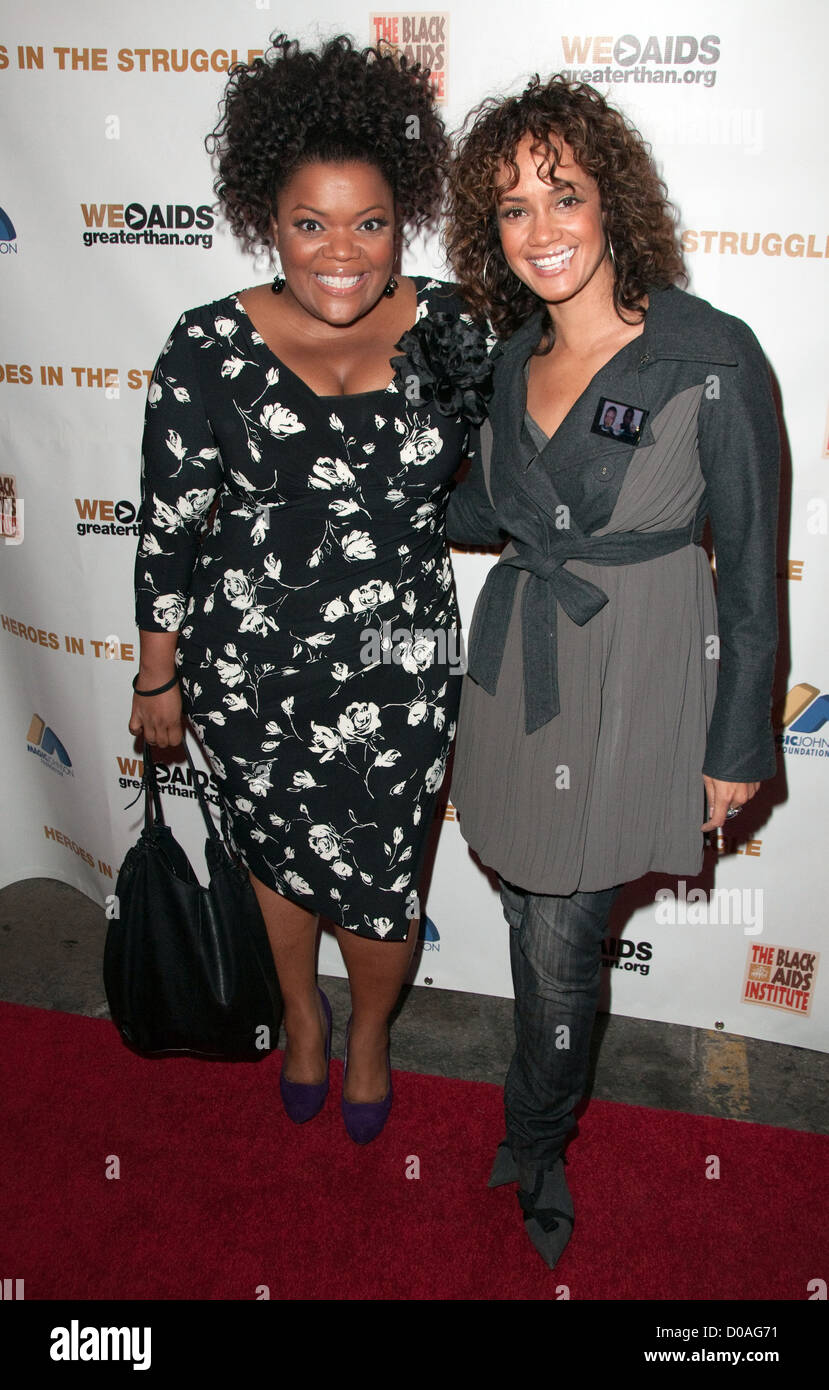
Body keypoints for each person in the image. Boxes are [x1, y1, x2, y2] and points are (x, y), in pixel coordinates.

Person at [444, 75, 779, 1266]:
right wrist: (391, 460)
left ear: (611, 202)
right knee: (529, 906)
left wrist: (736, 743)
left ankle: (535, 1140)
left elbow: (751, 571)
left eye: (564, 195)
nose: (540, 229)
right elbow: (483, 510)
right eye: (512, 208)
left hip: (634, 677)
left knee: (558, 934)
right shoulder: (510, 357)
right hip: (518, 674)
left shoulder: (707, 354)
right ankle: (536, 1101)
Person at [129, 34, 487, 1144]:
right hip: (248, 667)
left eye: (369, 223)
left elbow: (521, 465)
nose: (342, 252)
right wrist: (157, 679)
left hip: (402, 666)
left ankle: (369, 1033)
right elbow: (169, 527)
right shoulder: (206, 346)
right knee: (275, 860)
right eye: (310, 223)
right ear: (268, 221)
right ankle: (301, 1015)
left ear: (402, 220)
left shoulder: (453, 327)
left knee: (383, 874)